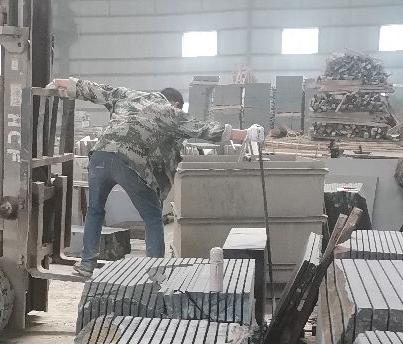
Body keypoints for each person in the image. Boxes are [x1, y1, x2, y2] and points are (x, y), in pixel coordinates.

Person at [49, 79, 265, 276]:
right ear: (175, 103)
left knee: (95, 210)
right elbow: (205, 129)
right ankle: (155, 273)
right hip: (129, 161)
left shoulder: (128, 94)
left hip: (100, 157)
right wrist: (246, 134)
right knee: (152, 218)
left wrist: (62, 82)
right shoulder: (171, 112)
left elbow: (95, 89)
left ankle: (86, 265)